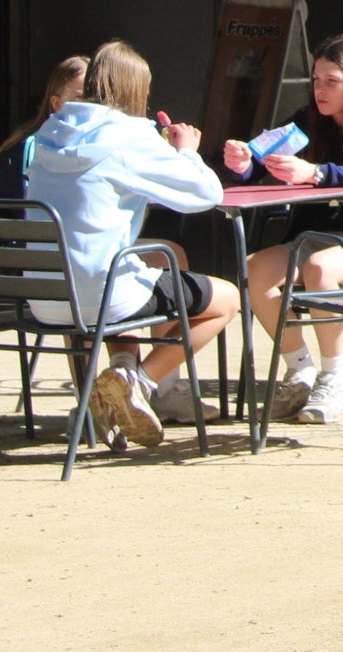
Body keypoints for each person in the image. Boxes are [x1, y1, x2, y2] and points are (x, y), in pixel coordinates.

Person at [24, 39, 239, 450]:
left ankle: (105, 391)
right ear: (135, 90)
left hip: (45, 295)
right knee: (226, 299)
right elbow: (205, 194)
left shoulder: (51, 131)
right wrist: (186, 153)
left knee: (139, 268)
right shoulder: (129, 135)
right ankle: (138, 383)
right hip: (100, 296)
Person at [219, 32, 343, 426]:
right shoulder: (307, 119)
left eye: (332, 81)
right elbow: (259, 158)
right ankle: (301, 371)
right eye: (315, 80)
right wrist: (241, 161)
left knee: (320, 269)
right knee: (254, 269)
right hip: (317, 236)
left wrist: (316, 173)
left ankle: (334, 379)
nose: (320, 90)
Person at [0, 55, 87, 201]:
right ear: (56, 103)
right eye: (80, 97)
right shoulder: (28, 148)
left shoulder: (104, 143)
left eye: (96, 97)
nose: (91, 104)